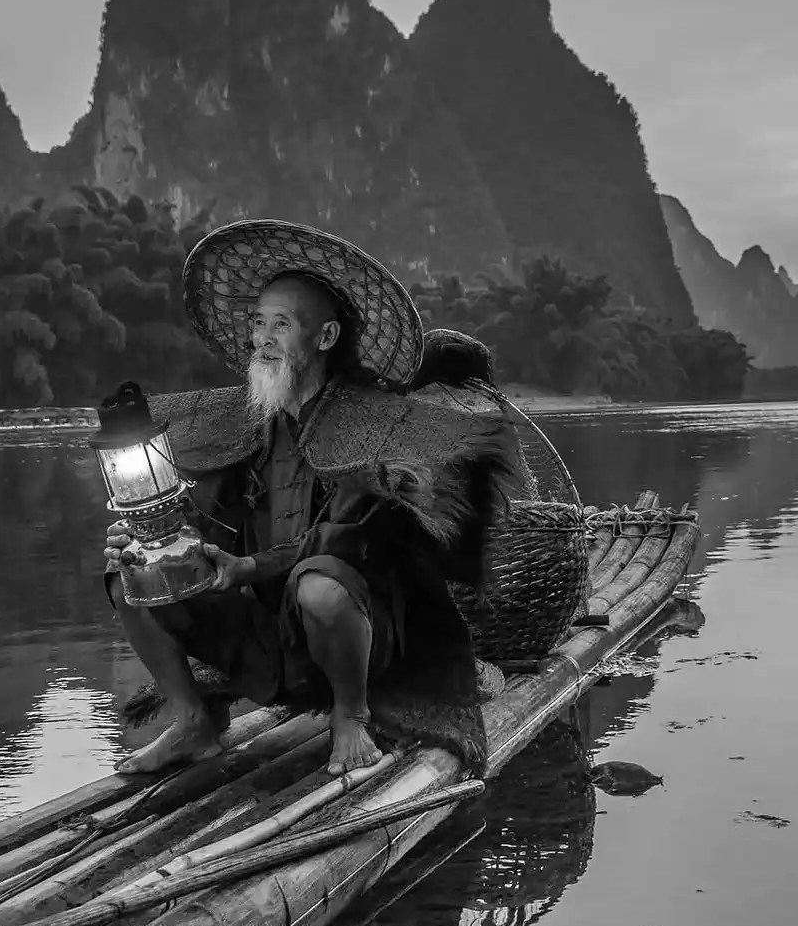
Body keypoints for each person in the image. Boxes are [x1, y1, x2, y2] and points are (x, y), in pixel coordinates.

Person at [103, 219, 523, 778]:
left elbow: (350, 540)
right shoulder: (248, 424)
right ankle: (194, 722)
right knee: (130, 576)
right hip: (268, 627)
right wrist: (158, 540)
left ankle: (351, 715)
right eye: (258, 324)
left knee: (321, 582)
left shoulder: (373, 429)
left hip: (358, 633)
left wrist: (250, 566)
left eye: (282, 324)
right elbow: (212, 524)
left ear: (324, 338)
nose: (263, 338)